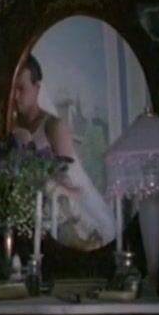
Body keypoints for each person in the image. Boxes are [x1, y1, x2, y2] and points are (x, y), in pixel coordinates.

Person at [9, 56, 115, 251]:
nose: (15, 96)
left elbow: (72, 183)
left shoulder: (53, 126)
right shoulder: (12, 128)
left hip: (59, 216)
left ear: (37, 88)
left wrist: (47, 184)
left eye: (21, 88)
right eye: (13, 89)